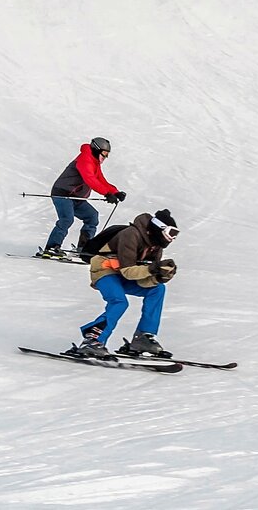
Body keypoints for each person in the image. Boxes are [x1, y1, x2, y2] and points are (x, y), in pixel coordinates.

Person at [70, 209, 180, 359]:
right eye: (171, 233)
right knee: (119, 301)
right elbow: (128, 271)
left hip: (122, 275)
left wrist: (159, 278)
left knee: (158, 289)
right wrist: (152, 268)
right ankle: (93, 340)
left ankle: (143, 338)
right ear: (159, 228)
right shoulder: (131, 234)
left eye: (175, 234)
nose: (172, 238)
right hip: (105, 270)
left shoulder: (156, 245)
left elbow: (143, 276)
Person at [38, 138, 125, 259]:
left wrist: (115, 192)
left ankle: (84, 248)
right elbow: (90, 179)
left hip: (76, 197)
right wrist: (106, 193)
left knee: (92, 216)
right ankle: (52, 247)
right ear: (96, 150)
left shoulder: (94, 162)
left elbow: (100, 179)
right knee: (67, 219)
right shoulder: (85, 159)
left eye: (107, 155)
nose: (105, 157)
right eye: (104, 154)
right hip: (63, 194)